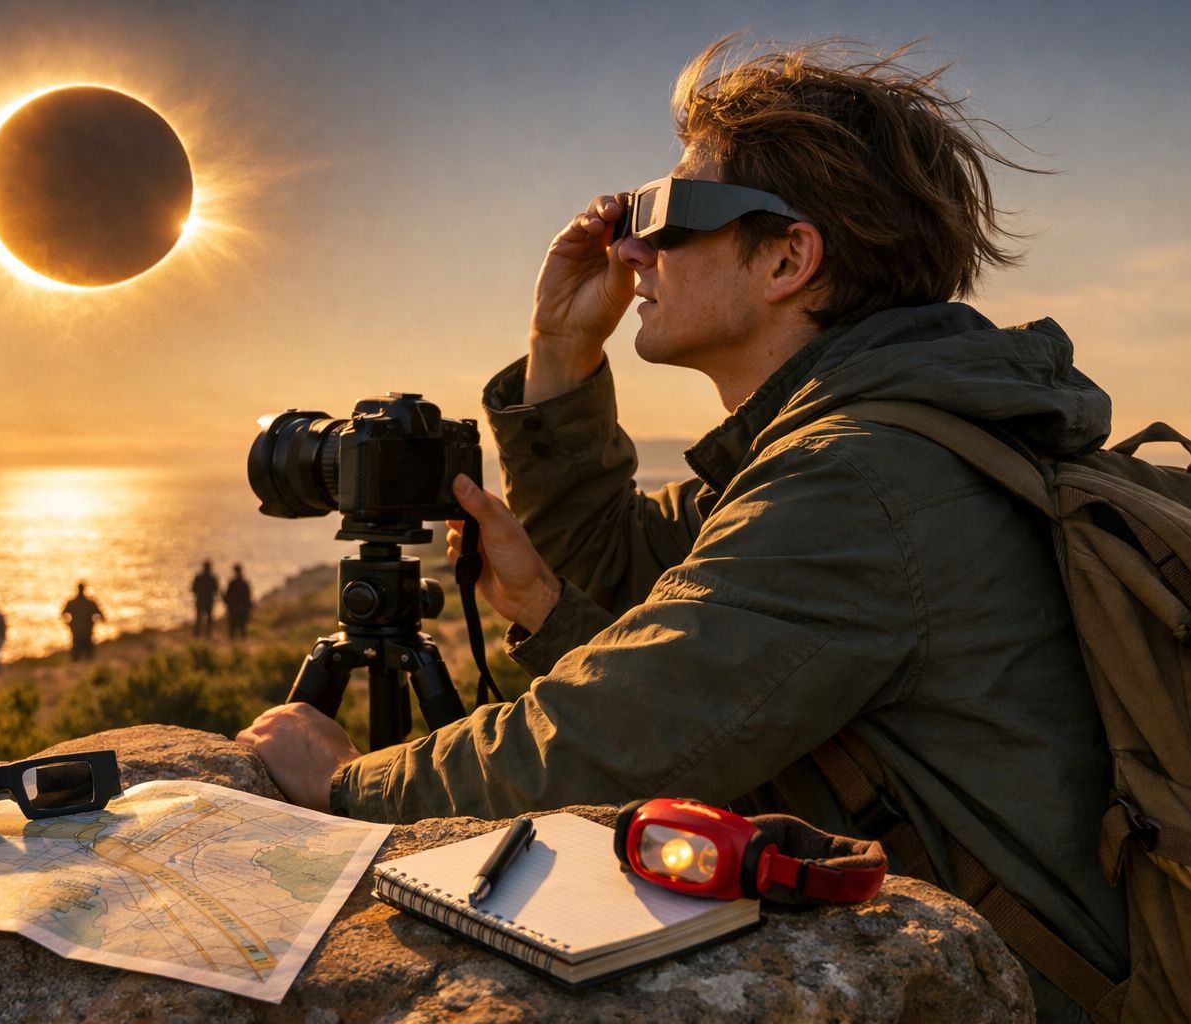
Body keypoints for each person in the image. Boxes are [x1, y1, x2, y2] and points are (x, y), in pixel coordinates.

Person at [236, 37, 1128, 1020]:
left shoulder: (857, 480)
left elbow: (604, 745)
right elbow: (630, 574)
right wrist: (561, 349)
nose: (631, 249)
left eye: (668, 215)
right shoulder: (856, 440)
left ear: (789, 257)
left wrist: (347, 785)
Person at [61, 581, 104, 661]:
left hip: (78, 633)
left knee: (77, 658)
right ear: (84, 589)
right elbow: (102, 616)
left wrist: (69, 624)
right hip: (86, 633)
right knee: (88, 659)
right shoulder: (90, 603)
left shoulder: (72, 603)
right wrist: (94, 623)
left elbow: (62, 615)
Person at [223, 564, 253, 640]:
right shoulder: (244, 583)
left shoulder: (232, 583)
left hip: (234, 609)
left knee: (233, 630)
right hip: (241, 609)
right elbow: (248, 598)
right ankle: (241, 647)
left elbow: (227, 596)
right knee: (242, 629)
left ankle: (235, 647)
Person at [191, 560, 219, 637]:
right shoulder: (212, 578)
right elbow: (216, 590)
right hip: (208, 601)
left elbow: (193, 589)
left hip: (201, 600)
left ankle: (198, 635)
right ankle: (207, 635)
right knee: (208, 619)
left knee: (199, 618)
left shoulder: (199, 577)